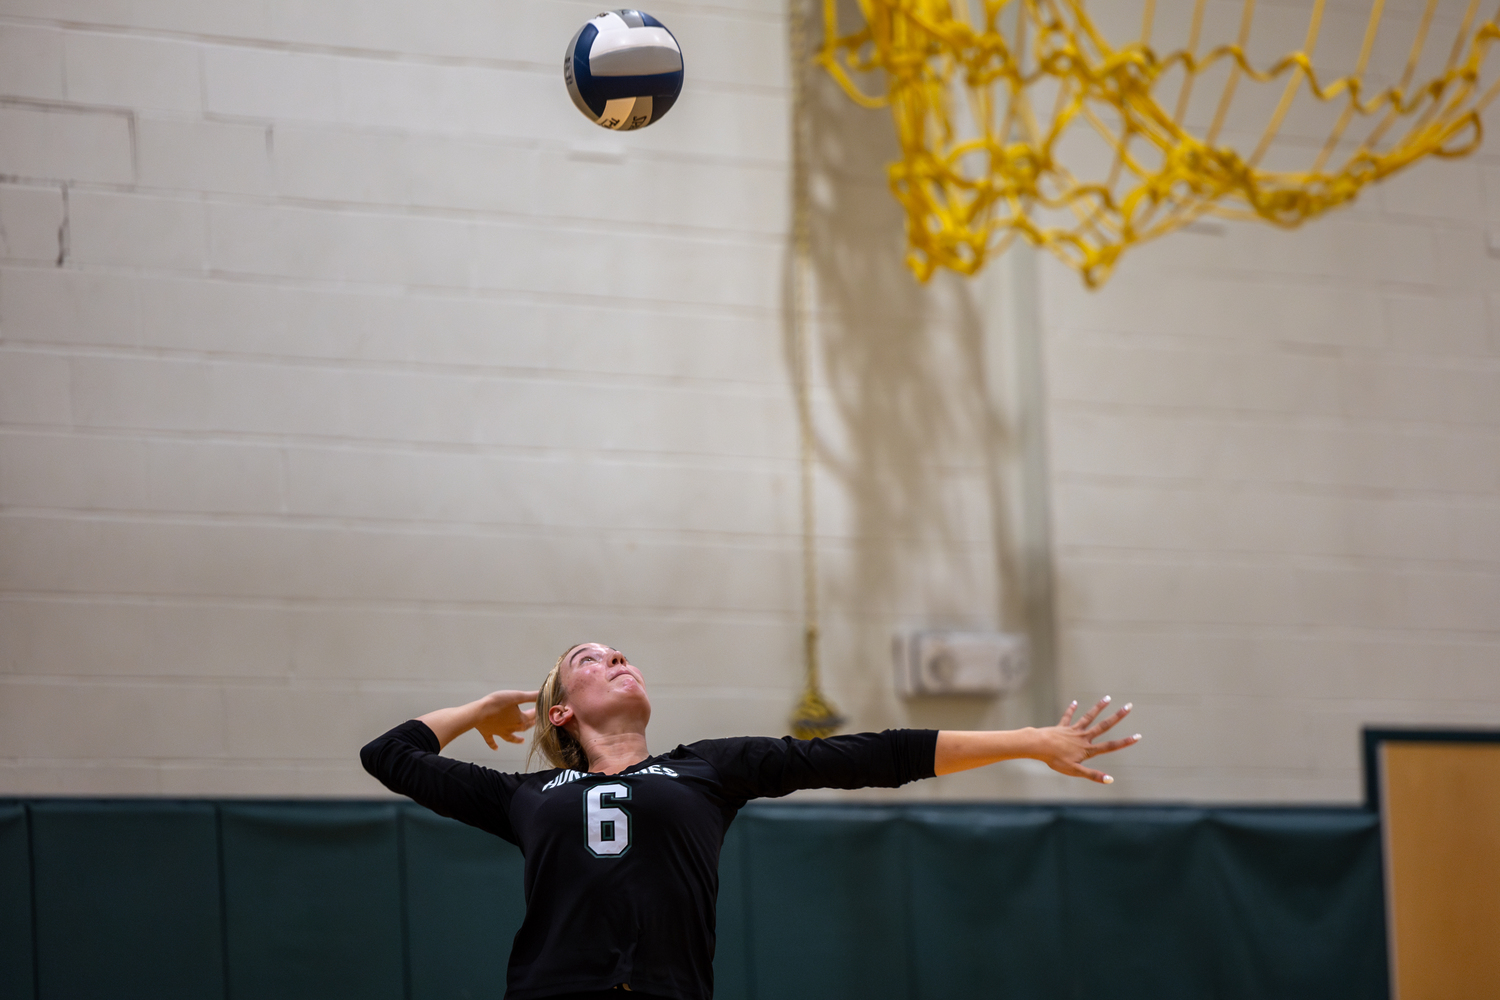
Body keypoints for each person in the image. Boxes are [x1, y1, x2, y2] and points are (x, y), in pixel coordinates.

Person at [361, 642, 1140, 1000]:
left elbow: (875, 754)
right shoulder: (527, 797)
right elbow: (388, 753)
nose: (618, 657)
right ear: (561, 707)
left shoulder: (708, 766)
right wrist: (490, 707)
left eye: (622, 652)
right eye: (590, 659)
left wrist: (1032, 742)